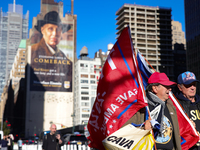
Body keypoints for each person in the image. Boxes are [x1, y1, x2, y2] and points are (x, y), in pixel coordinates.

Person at [123, 72, 181, 150]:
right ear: (155, 88)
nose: (170, 89)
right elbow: (126, 131)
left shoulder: (170, 106)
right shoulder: (141, 106)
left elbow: (176, 131)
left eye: (169, 86)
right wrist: (143, 128)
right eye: (166, 86)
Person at [31, 11, 72, 92]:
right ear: (42, 30)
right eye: (50, 29)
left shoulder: (66, 61)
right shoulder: (33, 52)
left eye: (58, 30)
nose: (55, 34)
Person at [176, 71, 200, 150]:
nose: (192, 87)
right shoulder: (176, 106)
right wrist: (185, 126)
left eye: (194, 84)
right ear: (180, 87)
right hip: (189, 147)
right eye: (188, 85)